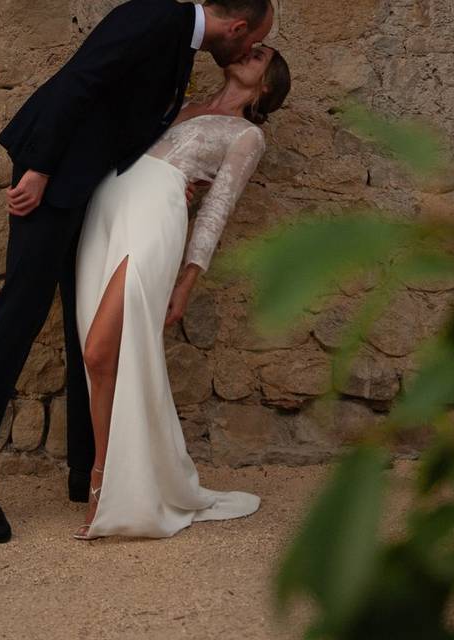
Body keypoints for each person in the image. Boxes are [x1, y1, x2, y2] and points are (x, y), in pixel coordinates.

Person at [0, 0, 276, 544]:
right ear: (236, 27)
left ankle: (85, 468)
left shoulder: (185, 51)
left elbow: (130, 117)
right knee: (19, 315)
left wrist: (169, 175)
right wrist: (41, 168)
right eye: (249, 42)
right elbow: (82, 79)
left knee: (83, 324)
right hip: (53, 175)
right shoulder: (158, 16)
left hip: (93, 188)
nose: (244, 53)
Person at [72, 43, 291, 540]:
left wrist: (187, 281)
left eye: (260, 56)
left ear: (266, 87)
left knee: (101, 345)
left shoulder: (247, 135)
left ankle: (104, 480)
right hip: (109, 202)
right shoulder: (182, 104)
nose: (248, 52)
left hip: (154, 217)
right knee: (98, 360)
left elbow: (217, 210)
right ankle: (108, 482)